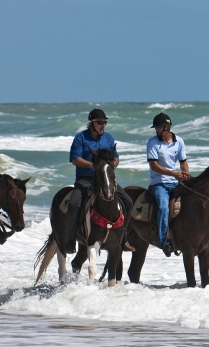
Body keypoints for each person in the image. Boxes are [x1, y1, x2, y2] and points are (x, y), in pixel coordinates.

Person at [67, 108, 134, 253]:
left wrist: (110, 165)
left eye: (104, 122)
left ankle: (124, 238)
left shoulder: (109, 138)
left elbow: (115, 158)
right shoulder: (81, 138)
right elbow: (75, 159)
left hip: (105, 180)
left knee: (128, 202)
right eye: (99, 122)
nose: (102, 125)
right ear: (91, 123)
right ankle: (71, 239)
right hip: (85, 179)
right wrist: (94, 165)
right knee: (73, 205)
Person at [146, 112, 190, 256]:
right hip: (160, 183)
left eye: (159, 127)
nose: (156, 130)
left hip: (176, 181)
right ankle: (164, 240)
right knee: (164, 208)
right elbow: (154, 166)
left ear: (167, 127)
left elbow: (183, 162)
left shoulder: (179, 142)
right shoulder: (152, 142)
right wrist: (174, 174)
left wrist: (185, 175)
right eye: (156, 128)